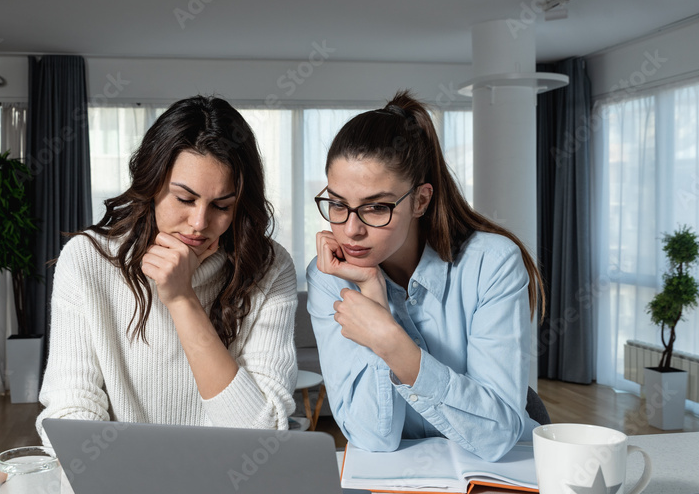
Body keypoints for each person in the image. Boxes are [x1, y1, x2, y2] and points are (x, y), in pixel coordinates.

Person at [36, 95, 297, 443]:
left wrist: (182, 299)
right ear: (153, 184)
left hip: (232, 482)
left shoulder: (270, 268)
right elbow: (71, 407)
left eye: (221, 205)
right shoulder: (87, 259)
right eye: (184, 199)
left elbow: (261, 433)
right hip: (122, 480)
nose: (199, 222)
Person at [307, 91, 545, 462]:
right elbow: (372, 437)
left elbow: (496, 436)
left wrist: (388, 339)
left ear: (420, 200)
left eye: (376, 207)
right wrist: (372, 291)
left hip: (501, 474)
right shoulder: (329, 277)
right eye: (338, 204)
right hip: (402, 482)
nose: (351, 229)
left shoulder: (492, 263)